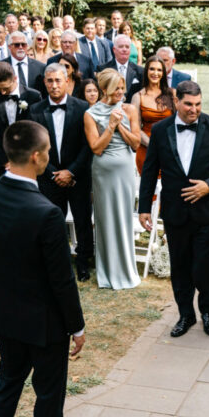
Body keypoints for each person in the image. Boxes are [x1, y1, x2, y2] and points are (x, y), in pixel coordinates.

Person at [0, 120, 96, 417]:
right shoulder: (47, 212)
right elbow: (62, 280)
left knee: (7, 386)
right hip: (46, 324)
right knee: (48, 395)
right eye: (47, 153)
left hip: (7, 313)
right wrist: (77, 326)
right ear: (39, 156)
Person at [138, 81, 209, 337]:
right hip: (175, 211)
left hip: (207, 210)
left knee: (204, 264)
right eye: (188, 104)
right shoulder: (160, 130)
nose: (194, 110)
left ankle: (208, 312)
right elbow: (150, 170)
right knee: (180, 265)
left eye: (198, 104)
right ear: (177, 102)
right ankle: (186, 315)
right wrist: (144, 207)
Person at [30, 63, 94, 281]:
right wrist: (53, 174)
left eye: (58, 80)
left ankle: (84, 262)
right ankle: (59, 262)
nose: (54, 85)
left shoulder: (83, 107)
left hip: (78, 177)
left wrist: (71, 172)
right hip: (49, 178)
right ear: (45, 83)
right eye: (50, 81)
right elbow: (34, 147)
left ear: (67, 81)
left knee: (82, 220)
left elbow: (88, 146)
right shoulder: (34, 110)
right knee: (52, 223)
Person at [85, 69, 141, 289]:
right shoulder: (90, 114)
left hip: (125, 171)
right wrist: (109, 126)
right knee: (106, 218)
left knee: (124, 217)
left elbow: (136, 143)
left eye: (122, 87)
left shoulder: (130, 109)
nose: (120, 92)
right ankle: (107, 272)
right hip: (103, 173)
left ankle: (127, 270)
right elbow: (96, 148)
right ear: (104, 89)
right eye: (116, 88)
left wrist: (120, 126)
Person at [0, 61, 42, 179]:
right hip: (0, 164)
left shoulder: (33, 96)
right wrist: (3, 160)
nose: (2, 92)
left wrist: (20, 160)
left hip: (28, 162)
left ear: (15, 78)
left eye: (6, 88)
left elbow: (37, 133)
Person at [130, 55, 175, 174]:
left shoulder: (172, 94)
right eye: (152, 69)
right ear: (146, 71)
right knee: (150, 190)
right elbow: (136, 128)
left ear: (164, 73)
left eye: (159, 70)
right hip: (147, 150)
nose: (155, 73)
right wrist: (154, 146)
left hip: (170, 149)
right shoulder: (137, 97)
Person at [97, 34, 143, 102]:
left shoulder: (140, 71)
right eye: (121, 46)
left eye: (127, 47)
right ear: (114, 49)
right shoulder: (103, 69)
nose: (124, 49)